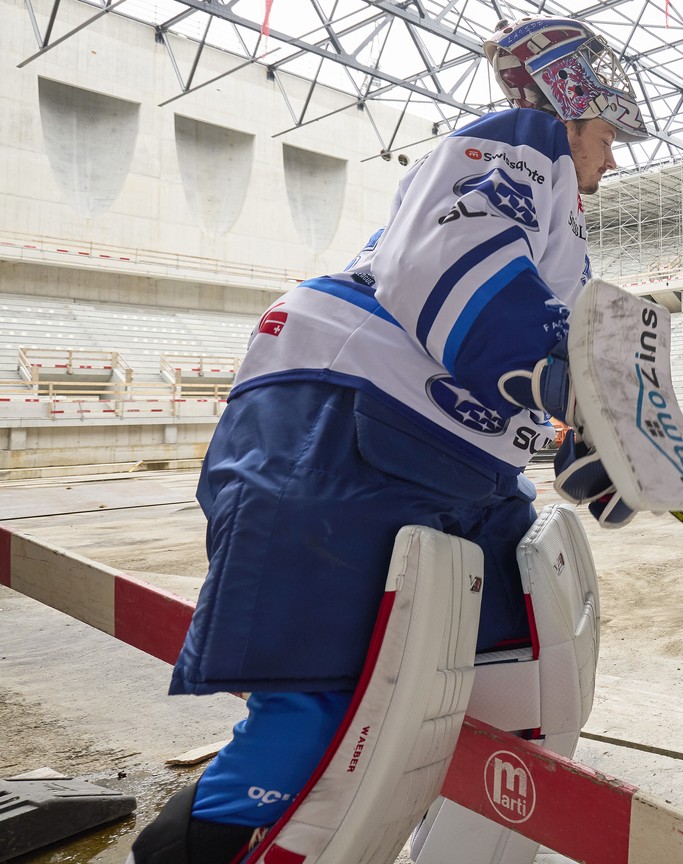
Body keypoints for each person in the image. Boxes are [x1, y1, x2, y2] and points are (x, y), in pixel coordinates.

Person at [127, 17, 649, 863]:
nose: (612, 158)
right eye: (607, 135)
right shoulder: (520, 140)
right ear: (569, 110)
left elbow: (537, 348)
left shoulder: (559, 214)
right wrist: (557, 379)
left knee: (506, 668)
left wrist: (588, 441)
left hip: (432, 449)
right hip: (341, 421)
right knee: (331, 708)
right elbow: (447, 264)